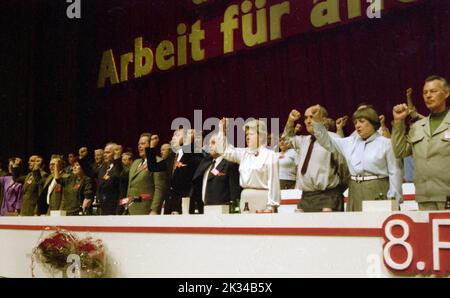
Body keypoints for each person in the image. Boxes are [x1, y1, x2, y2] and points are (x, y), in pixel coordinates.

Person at [311, 105, 402, 211]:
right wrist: (317, 123)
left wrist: (394, 198)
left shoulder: (386, 143)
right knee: (357, 225)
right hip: (354, 189)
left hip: (378, 189)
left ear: (372, 122)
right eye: (355, 122)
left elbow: (395, 171)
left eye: (361, 121)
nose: (357, 125)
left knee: (375, 224)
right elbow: (327, 141)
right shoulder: (349, 142)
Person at [391, 75, 450, 211]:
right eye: (425, 92)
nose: (428, 95)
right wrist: (399, 122)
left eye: (433, 91)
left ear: (446, 93)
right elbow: (399, 151)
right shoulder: (418, 126)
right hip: (425, 197)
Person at [284, 107, 348, 212]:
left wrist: (336, 190)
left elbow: (344, 168)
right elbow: (286, 140)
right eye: (306, 118)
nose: (308, 121)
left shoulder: (334, 139)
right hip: (306, 197)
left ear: (323, 120)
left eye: (312, 117)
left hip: (328, 197)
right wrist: (290, 120)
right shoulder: (304, 140)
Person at [217, 118, 280, 213]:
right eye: (246, 134)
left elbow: (273, 182)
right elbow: (223, 151)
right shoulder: (243, 153)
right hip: (245, 197)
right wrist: (222, 130)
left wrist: (272, 206)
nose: (247, 137)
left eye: (251, 134)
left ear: (261, 137)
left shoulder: (270, 155)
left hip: (263, 199)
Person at [190, 134, 241, 214]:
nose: (209, 146)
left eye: (213, 143)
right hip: (202, 209)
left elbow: (234, 192)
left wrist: (235, 211)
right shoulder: (205, 163)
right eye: (209, 143)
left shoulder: (231, 164)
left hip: (222, 211)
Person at [127, 133, 167, 215]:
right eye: (138, 144)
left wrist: (154, 210)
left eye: (143, 144)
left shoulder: (158, 162)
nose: (139, 146)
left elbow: (159, 188)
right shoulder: (135, 163)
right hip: (130, 209)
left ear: (150, 145)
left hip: (146, 210)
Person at [97, 143, 123, 215]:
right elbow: (91, 173)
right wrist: (82, 158)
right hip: (103, 208)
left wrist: (117, 156)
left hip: (115, 208)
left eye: (108, 152)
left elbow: (118, 174)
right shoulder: (103, 168)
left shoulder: (119, 166)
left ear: (115, 153)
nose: (104, 154)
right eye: (104, 152)